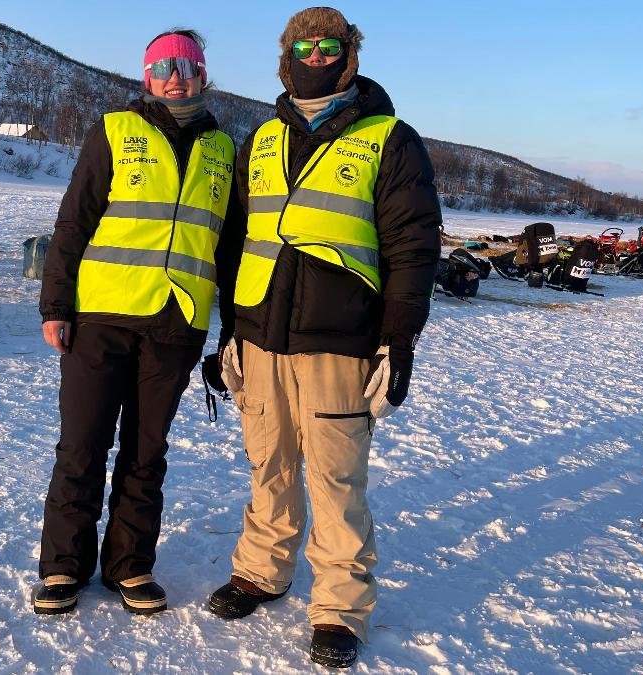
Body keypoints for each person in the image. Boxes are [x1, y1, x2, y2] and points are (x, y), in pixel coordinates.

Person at [203, 7, 442, 669]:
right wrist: (230, 331)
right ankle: (261, 569)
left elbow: (413, 249)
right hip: (260, 336)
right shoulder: (262, 139)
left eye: (328, 46)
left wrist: (398, 341)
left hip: (340, 341)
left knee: (336, 479)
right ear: (286, 57)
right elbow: (236, 241)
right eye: (303, 47)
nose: (315, 56)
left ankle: (340, 606)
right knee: (268, 463)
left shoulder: (389, 139)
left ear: (349, 55)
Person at [33, 29, 239, 617]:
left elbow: (229, 248)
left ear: (202, 76)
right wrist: (56, 306)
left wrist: (233, 328)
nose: (176, 77)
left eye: (187, 67)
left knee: (146, 452)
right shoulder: (115, 131)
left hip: (178, 320)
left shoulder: (225, 149)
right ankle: (62, 566)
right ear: (147, 77)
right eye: (164, 67)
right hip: (102, 315)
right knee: (83, 444)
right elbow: (73, 221)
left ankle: (130, 565)